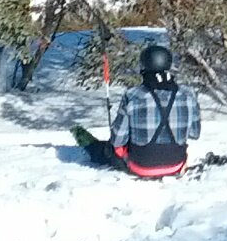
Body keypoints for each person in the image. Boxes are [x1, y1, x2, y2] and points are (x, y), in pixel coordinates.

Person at [78, 43, 201, 178]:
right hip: (176, 164)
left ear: (144, 66)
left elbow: (118, 139)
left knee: (107, 150)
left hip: (140, 165)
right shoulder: (188, 94)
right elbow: (195, 133)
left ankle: (84, 140)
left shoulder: (133, 95)